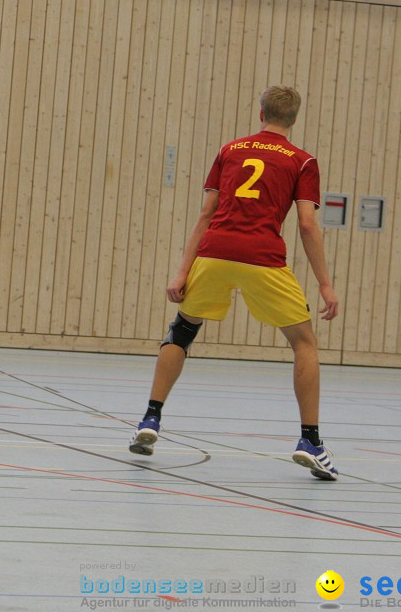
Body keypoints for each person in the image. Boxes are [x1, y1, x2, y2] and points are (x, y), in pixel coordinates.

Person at [128, 86, 341, 481]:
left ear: (260, 113)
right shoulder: (302, 161)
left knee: (183, 330)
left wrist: (182, 271)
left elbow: (207, 212)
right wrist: (326, 285)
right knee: (304, 343)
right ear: (293, 119)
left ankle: (150, 418)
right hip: (263, 257)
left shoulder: (230, 151)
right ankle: (310, 441)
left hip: (215, 253)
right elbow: (308, 225)